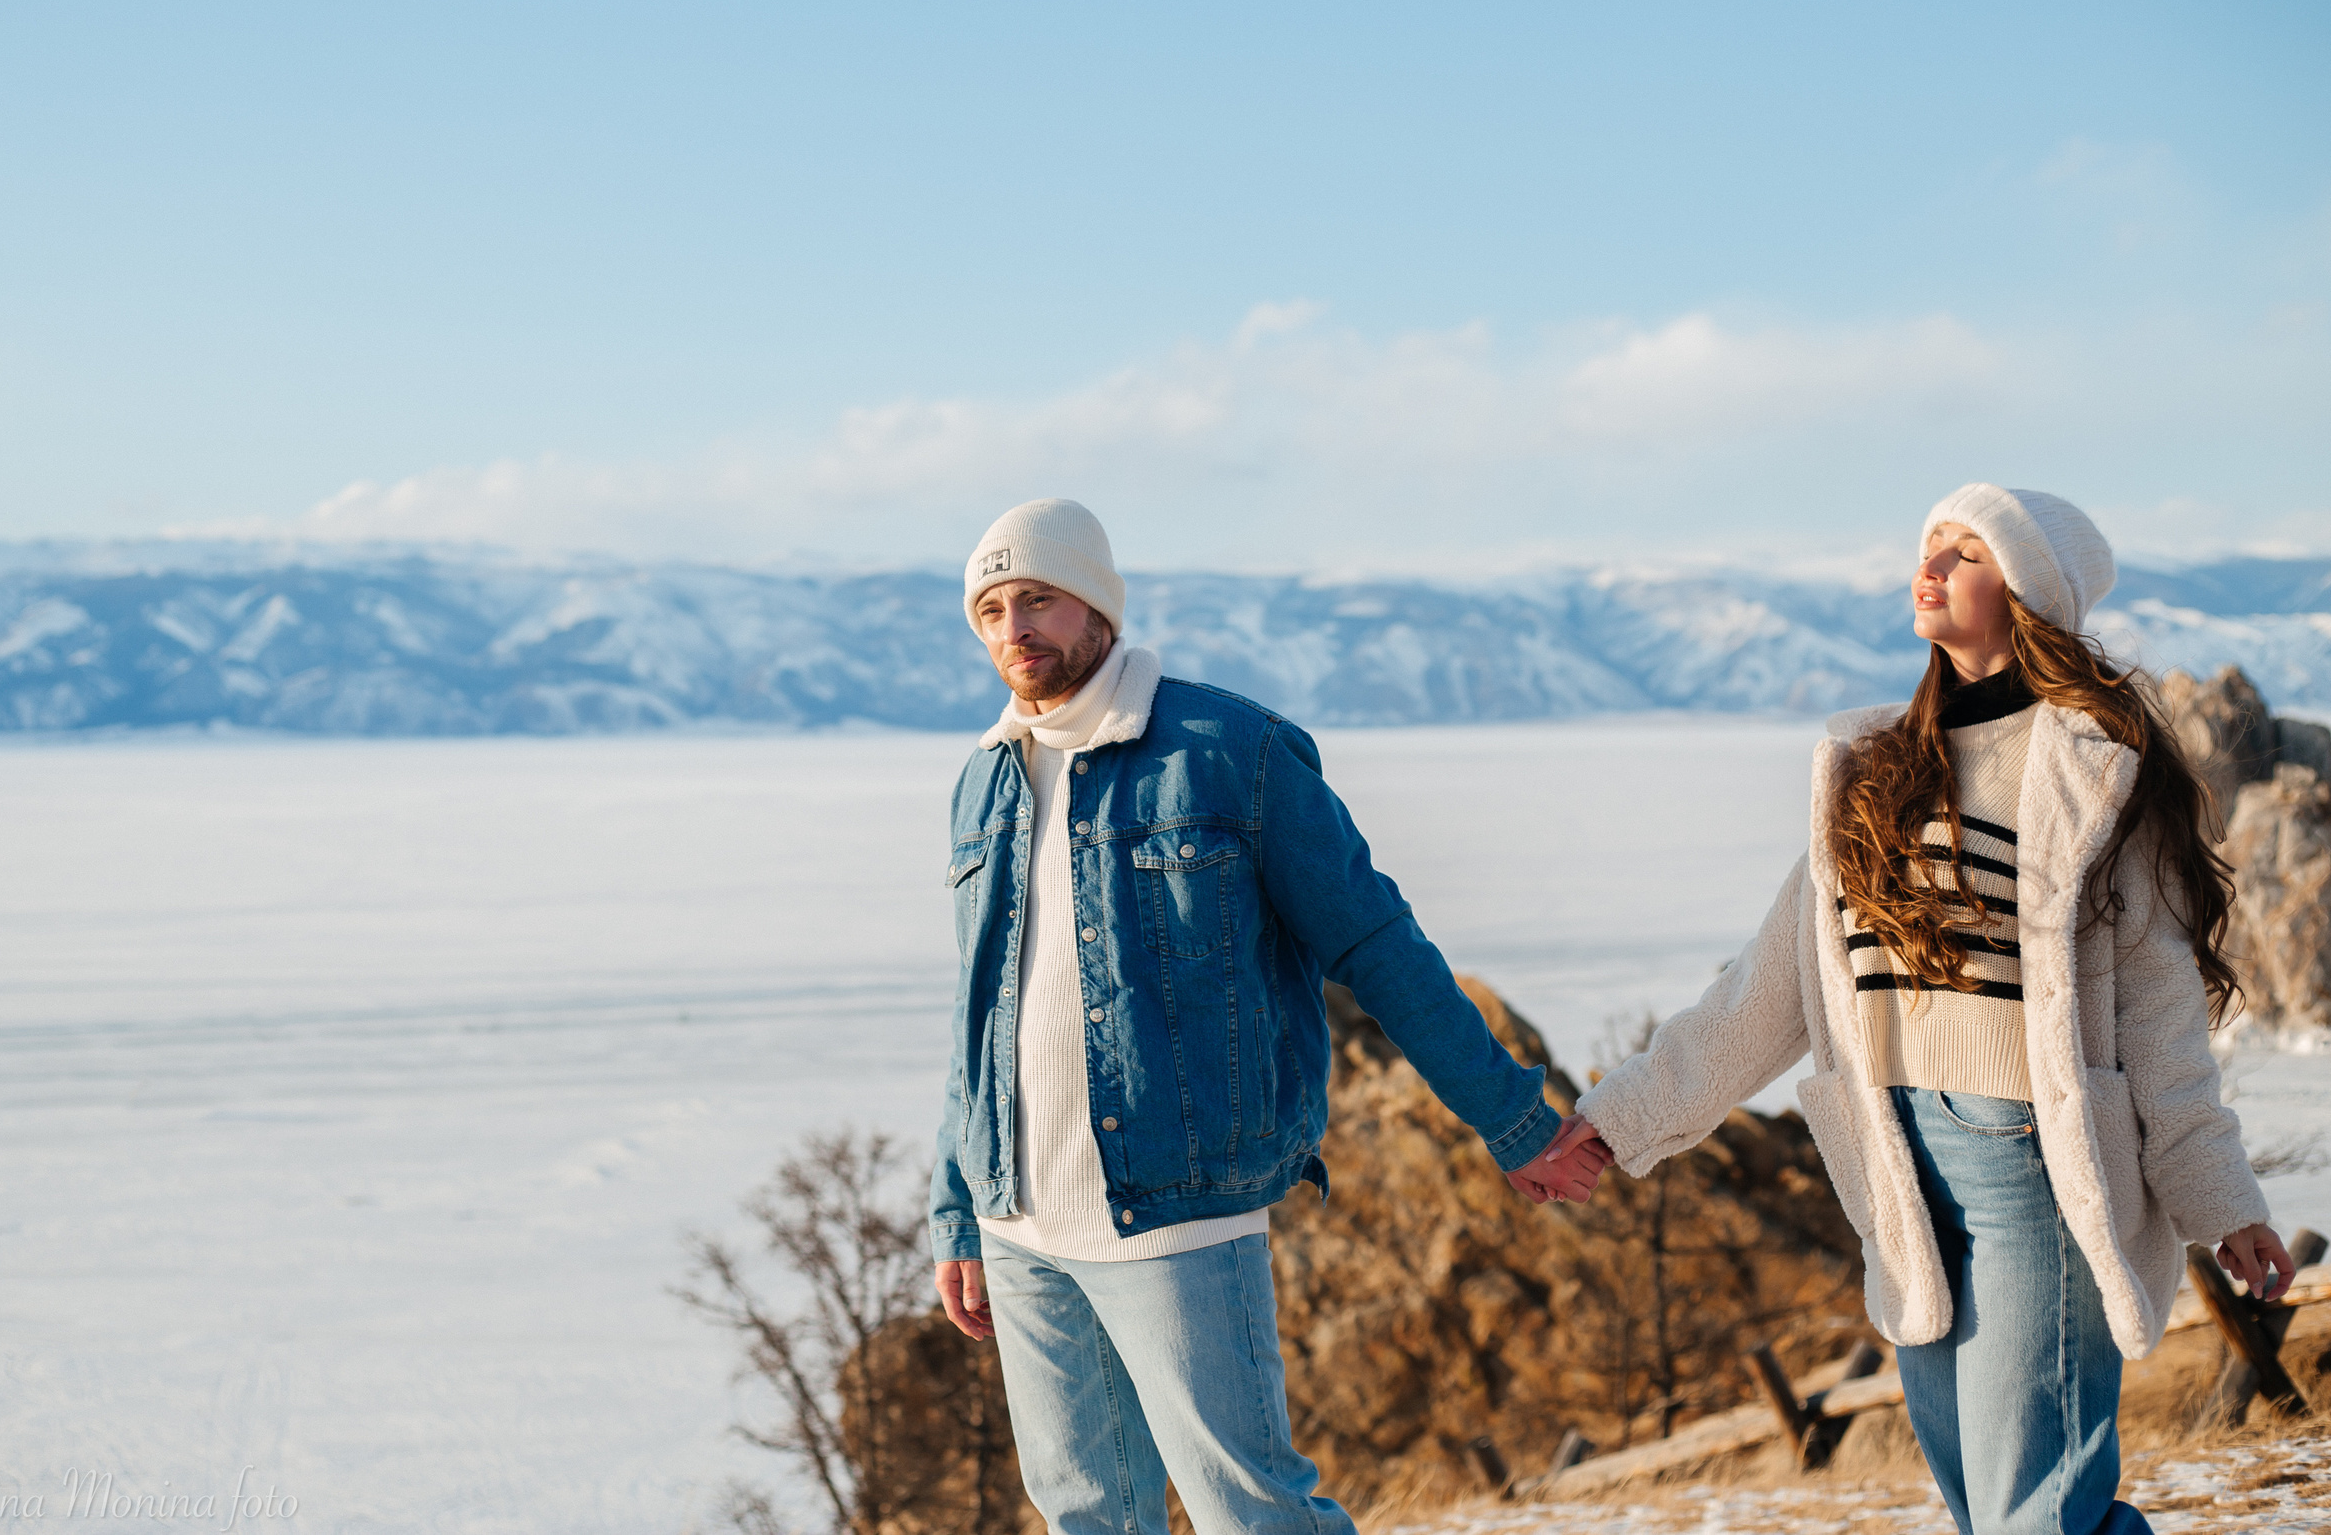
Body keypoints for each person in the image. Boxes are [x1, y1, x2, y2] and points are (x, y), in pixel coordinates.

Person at [1567, 484, 2295, 1535]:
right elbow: (1762, 992)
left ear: (2028, 593)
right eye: (1930, 546)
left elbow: (2160, 1017)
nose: (1932, 568)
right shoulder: (1868, 773)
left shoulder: (2093, 770)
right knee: (1988, 1509)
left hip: (2033, 1167)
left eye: (1967, 553)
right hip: (1897, 1168)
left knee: (2029, 1512)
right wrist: (1619, 1120)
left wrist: (2222, 1200)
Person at [927, 497, 1609, 1535]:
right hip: (1019, 1223)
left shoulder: (1227, 750)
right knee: (1085, 1516)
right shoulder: (986, 781)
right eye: (990, 610)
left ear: (1096, 605)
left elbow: (1376, 946)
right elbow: (980, 1017)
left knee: (1250, 1510)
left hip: (1177, 1211)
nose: (1013, 630)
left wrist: (1513, 1122)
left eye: (1037, 601)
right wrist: (958, 1209)